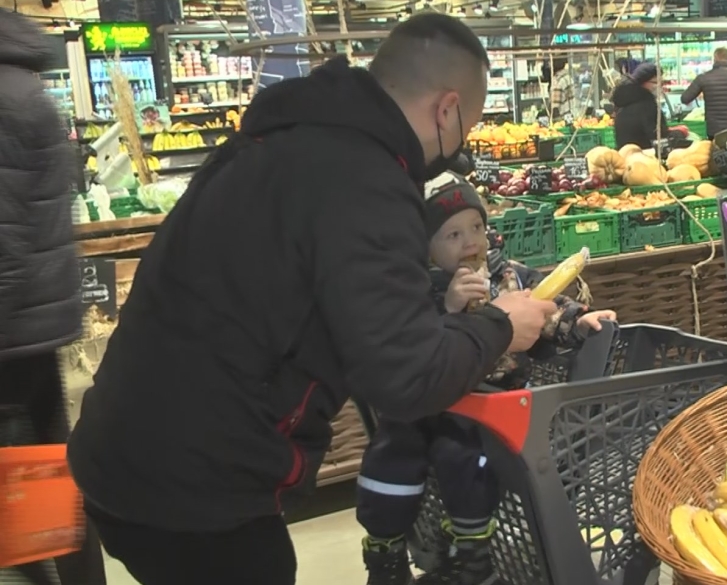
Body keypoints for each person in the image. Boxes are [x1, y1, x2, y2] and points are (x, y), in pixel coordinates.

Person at [66, 13, 558, 585]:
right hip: (199, 491)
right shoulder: (366, 180)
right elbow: (406, 379)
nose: (460, 147)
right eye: (467, 128)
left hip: (124, 453)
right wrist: (500, 324)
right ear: (447, 109)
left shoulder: (280, 141)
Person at [358, 173, 617, 585]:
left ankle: (472, 553)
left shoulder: (507, 276)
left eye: (476, 227)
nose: (470, 242)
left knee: (463, 458)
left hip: (492, 404)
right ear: (425, 248)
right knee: (390, 453)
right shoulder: (418, 287)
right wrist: (448, 307)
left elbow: (545, 305)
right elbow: (412, 341)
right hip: (428, 402)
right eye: (453, 234)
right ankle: (385, 551)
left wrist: (577, 321)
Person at [0, 9, 107, 585]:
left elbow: (4, 239)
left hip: (10, 333)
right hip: (34, 324)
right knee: (44, 480)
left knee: (23, 490)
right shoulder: (25, 88)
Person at [680, 47, 727, 140]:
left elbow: (685, 98)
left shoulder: (703, 77)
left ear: (714, 58)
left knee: (717, 153)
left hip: (714, 132)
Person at [612, 63, 675, 149]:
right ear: (642, 82)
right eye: (655, 82)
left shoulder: (625, 101)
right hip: (645, 155)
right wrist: (679, 133)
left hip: (625, 153)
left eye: (661, 83)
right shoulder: (647, 105)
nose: (659, 86)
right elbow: (657, 136)